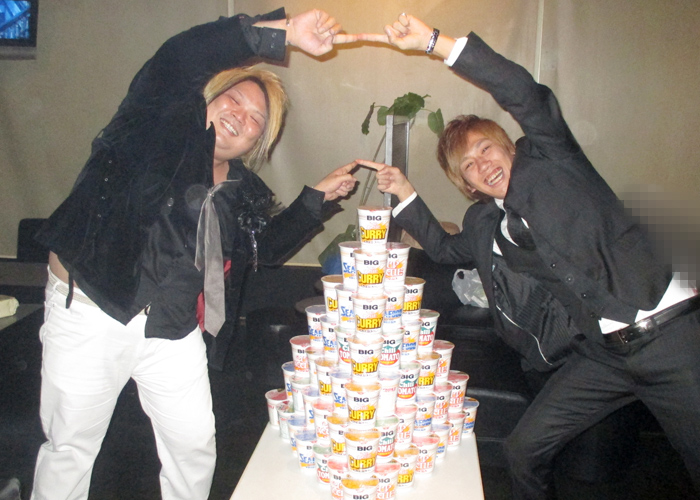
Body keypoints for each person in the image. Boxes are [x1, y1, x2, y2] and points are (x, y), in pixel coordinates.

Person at [358, 13, 700, 499]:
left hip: (671, 338)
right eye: (469, 166)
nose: (482, 165)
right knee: (522, 450)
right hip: (605, 356)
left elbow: (524, 93)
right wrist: (405, 191)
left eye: (485, 149)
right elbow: (442, 248)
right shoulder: (484, 224)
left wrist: (436, 43)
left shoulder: (553, 161)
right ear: (468, 185)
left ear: (509, 148)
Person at [31, 8, 361, 500]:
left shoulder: (242, 190)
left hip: (172, 327)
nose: (241, 117)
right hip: (92, 309)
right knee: (71, 449)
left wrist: (316, 198)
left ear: (259, 140)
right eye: (234, 100)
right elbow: (179, 56)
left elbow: (263, 248)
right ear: (208, 95)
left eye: (256, 120)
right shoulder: (151, 127)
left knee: (194, 447)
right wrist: (280, 32)